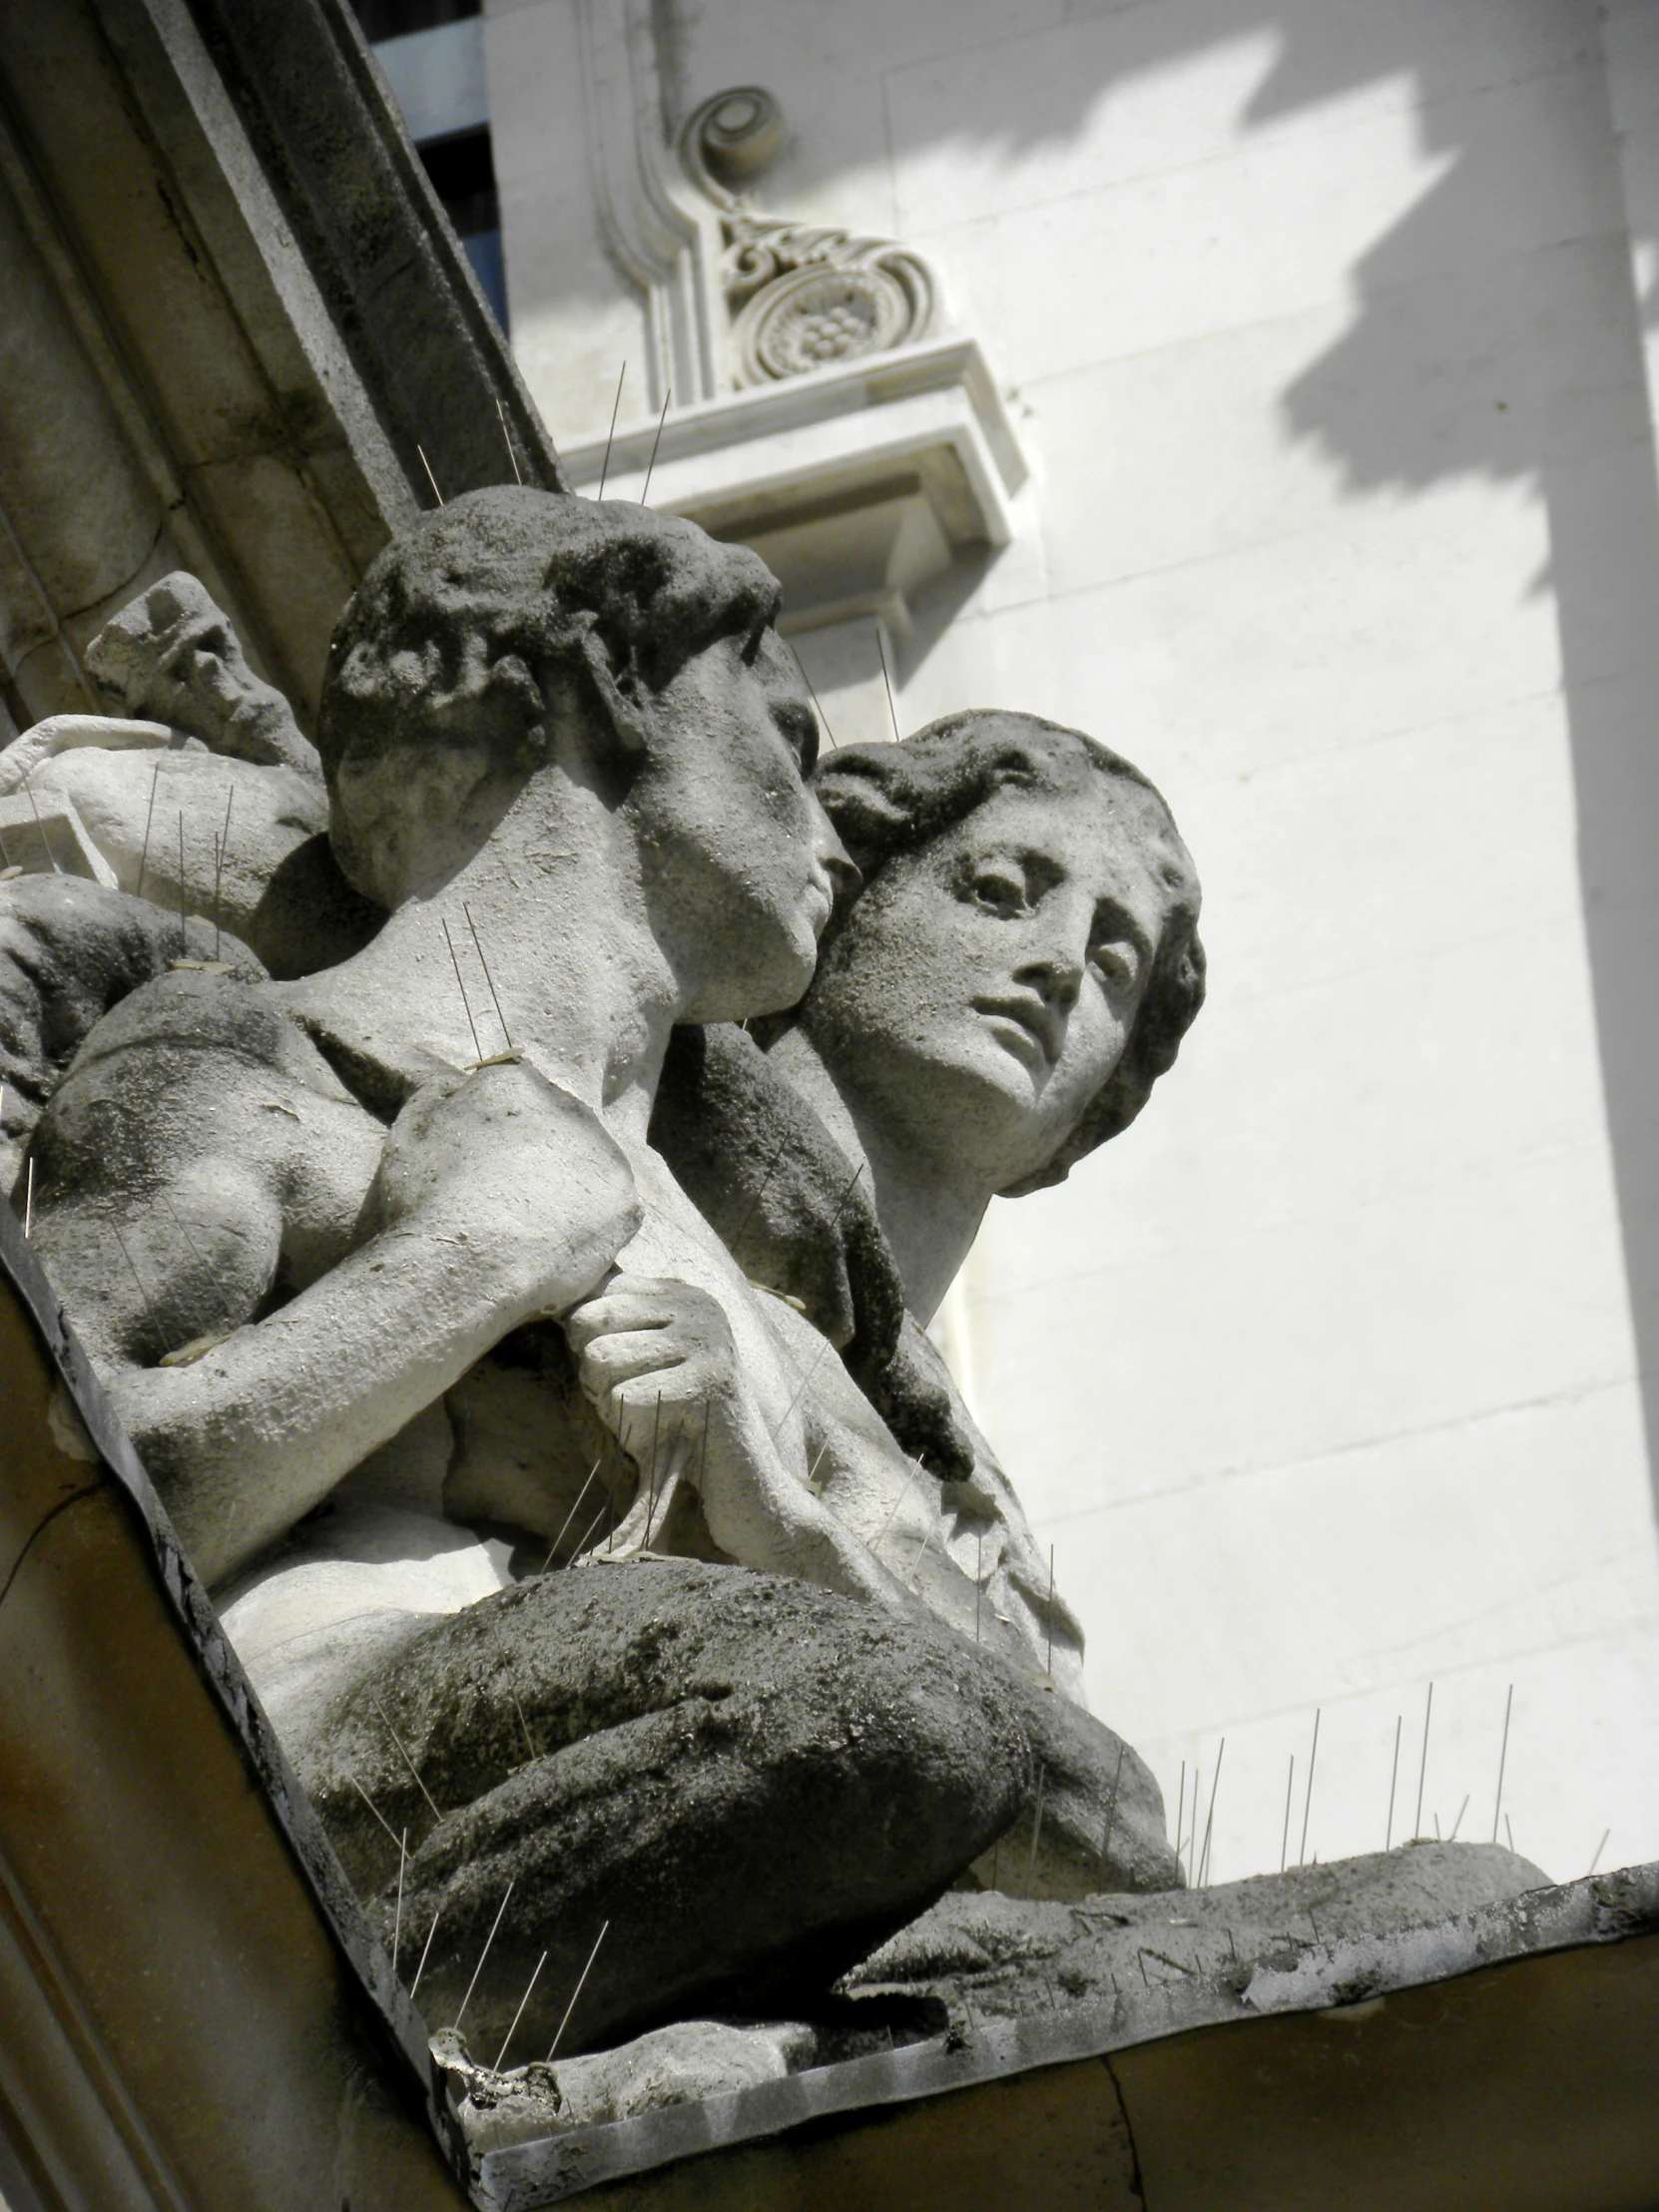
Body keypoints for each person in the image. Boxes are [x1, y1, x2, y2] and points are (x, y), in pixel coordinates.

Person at [23, 493, 1150, 2062]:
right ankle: (339, 2061)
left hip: (692, 1780)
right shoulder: (254, 1066)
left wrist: (775, 1512)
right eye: (785, 737)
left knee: (1381, 1922)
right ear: (605, 685)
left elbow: (1115, 1829)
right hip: (318, 1774)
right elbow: (52, 1530)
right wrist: (465, 1261)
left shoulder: (759, 1327)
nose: (825, 826)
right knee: (884, 1720)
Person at [650, 709, 1206, 1891]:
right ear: (842, 895)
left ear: (1095, 1105)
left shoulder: (977, 1501)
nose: (1060, 963)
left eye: (1115, 966)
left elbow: (1109, 1832)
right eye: (1003, 889)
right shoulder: (642, 1131)